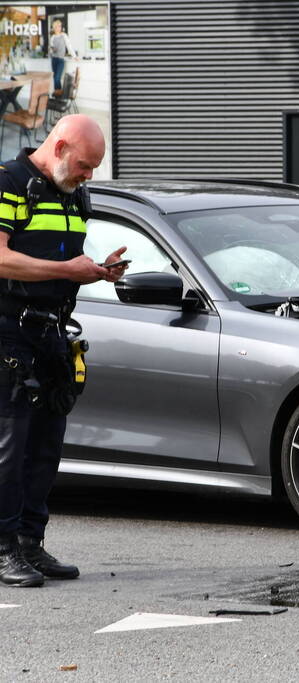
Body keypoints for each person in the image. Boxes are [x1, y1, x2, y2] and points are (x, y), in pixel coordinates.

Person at [0, 115, 126, 588]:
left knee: (45, 444)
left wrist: (97, 270)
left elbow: (62, 262)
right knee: (10, 447)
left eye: (93, 168)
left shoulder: (73, 193)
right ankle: (3, 549)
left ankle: (30, 542)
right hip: (8, 332)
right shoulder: (9, 183)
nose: (88, 175)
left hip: (52, 332)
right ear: (59, 147)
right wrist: (66, 270)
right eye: (84, 165)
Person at [48, 19, 75, 93]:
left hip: (60, 60)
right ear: (54, 28)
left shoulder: (64, 35)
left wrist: (74, 56)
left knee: (57, 78)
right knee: (55, 78)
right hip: (54, 60)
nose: (58, 28)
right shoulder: (52, 37)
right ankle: (58, 95)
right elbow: (50, 50)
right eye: (57, 26)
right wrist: (51, 50)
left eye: (59, 26)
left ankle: (58, 95)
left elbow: (69, 46)